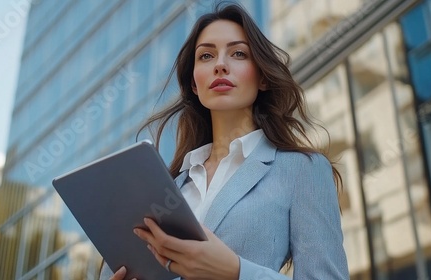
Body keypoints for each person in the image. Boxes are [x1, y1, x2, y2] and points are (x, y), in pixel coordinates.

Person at [101, 2, 349, 280]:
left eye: (239, 53)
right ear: (194, 84)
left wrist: (236, 272)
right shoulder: (167, 188)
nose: (220, 64)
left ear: (263, 77)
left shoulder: (302, 170)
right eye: (206, 56)